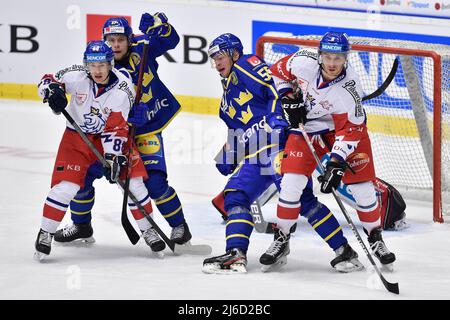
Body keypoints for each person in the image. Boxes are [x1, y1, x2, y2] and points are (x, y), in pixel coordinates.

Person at [202, 33, 363, 274]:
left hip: (281, 145)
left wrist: (281, 112)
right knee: (235, 195)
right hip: (258, 154)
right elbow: (238, 128)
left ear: (234, 54)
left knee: (302, 200)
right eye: (213, 58)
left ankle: (344, 252)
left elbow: (276, 86)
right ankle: (236, 255)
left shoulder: (247, 64)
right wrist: (229, 154)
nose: (216, 63)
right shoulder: (227, 94)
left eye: (220, 56)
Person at [54, 14, 192, 251]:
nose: (115, 45)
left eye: (120, 39)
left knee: (155, 183)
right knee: (82, 179)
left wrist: (160, 23)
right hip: (113, 133)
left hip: (147, 127)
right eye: (111, 40)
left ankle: (180, 226)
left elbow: (172, 40)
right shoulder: (101, 65)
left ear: (129, 39)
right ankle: (81, 225)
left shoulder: (143, 46)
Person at [266, 31, 396, 269]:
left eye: (338, 58)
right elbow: (276, 72)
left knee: (362, 189)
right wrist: (288, 97)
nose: (333, 63)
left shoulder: (349, 88)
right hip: (308, 128)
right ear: (320, 55)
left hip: (342, 131)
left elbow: (353, 129)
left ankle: (375, 238)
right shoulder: (302, 61)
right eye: (328, 57)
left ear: (346, 58)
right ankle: (282, 238)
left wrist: (336, 163)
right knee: (291, 184)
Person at [34, 41, 164, 260]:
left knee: (134, 184)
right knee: (66, 187)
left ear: (110, 64)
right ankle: (45, 232)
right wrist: (50, 91)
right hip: (76, 140)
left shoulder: (122, 88)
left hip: (113, 136)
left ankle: (148, 229)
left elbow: (117, 127)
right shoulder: (76, 76)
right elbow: (47, 80)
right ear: (86, 65)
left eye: (102, 65)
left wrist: (114, 157)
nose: (97, 70)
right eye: (93, 65)